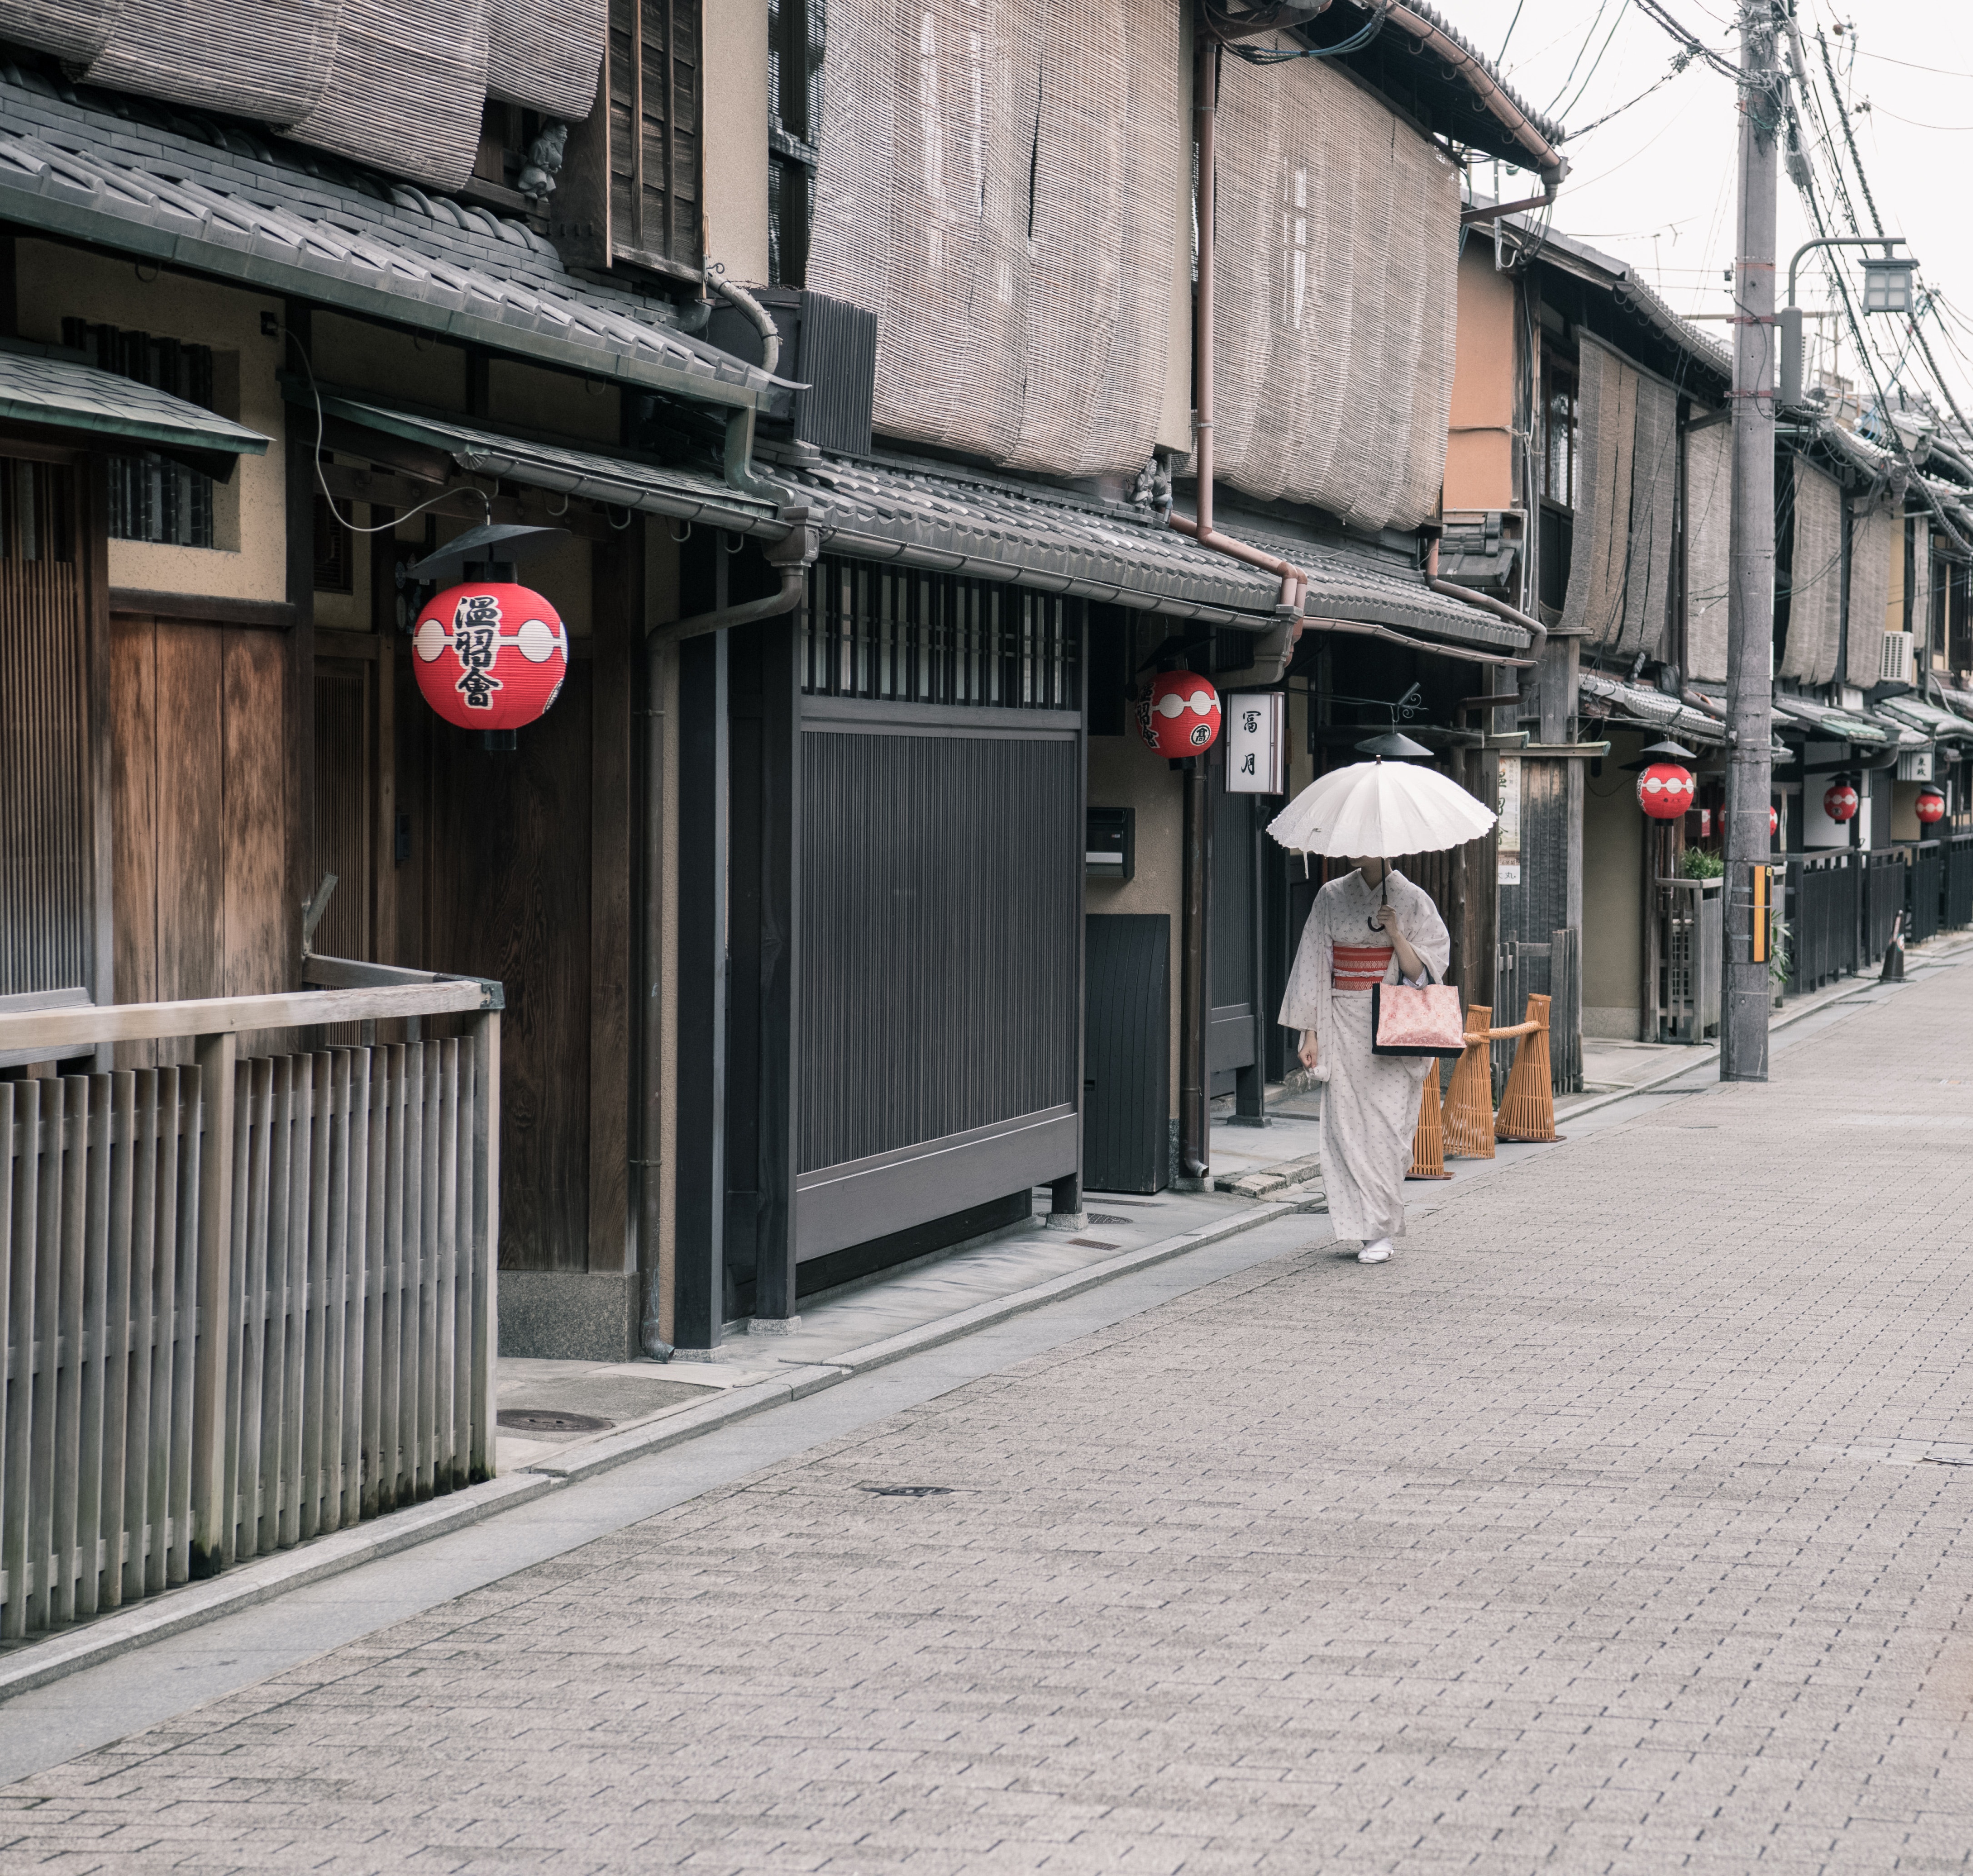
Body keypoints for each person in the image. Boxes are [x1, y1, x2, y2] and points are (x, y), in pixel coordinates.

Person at [1279, 858, 1451, 1263]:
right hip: (1340, 1020)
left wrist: (1395, 933)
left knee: (1389, 1131)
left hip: (1392, 1025)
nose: (1359, 851)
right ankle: (1364, 1230)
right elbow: (1314, 964)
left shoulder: (1412, 899)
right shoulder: (1330, 895)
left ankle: (1381, 1229)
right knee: (1346, 1128)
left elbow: (1424, 976)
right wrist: (1310, 1031)